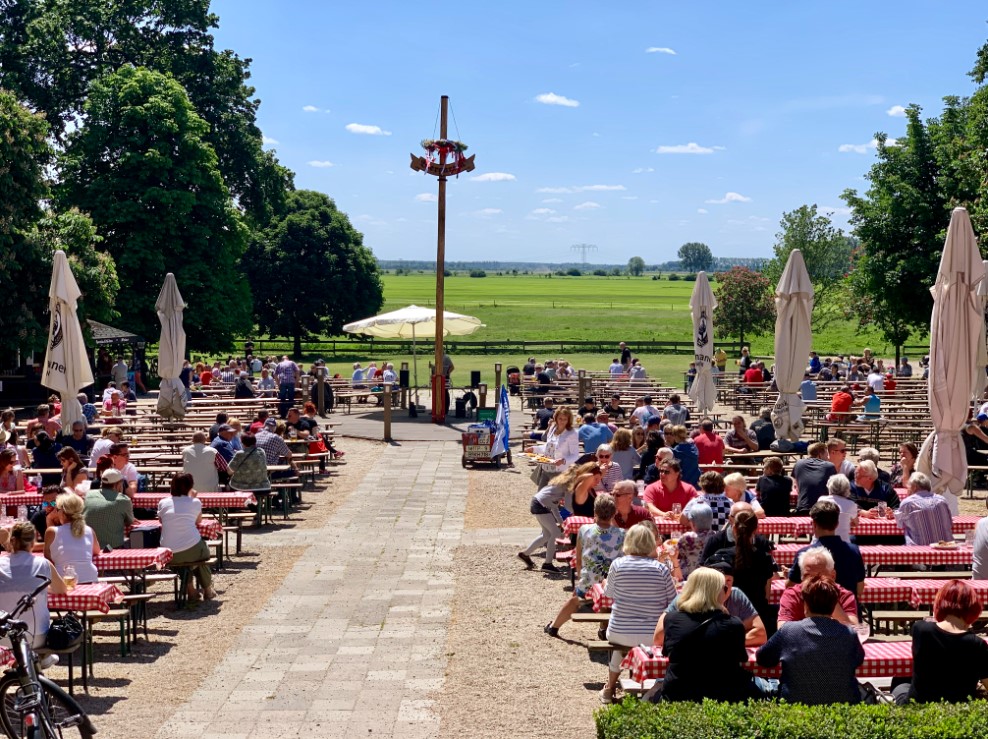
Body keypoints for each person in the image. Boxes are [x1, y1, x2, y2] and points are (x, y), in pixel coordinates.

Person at [599, 524, 676, 704]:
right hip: (652, 635)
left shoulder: (617, 565)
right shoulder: (661, 569)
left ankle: (609, 688)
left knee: (621, 645)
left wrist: (605, 585)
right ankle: (657, 686)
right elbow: (674, 601)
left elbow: (608, 595)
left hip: (619, 630)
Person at [757, 575, 864, 704]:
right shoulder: (849, 634)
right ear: (833, 606)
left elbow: (763, 658)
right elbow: (858, 660)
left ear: (805, 605)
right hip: (842, 709)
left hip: (795, 710)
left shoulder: (789, 631)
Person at [656, 567, 754, 702]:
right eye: (724, 589)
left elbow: (667, 652)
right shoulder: (733, 625)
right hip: (724, 697)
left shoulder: (672, 619)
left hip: (679, 695)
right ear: (717, 592)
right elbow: (741, 658)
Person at [893, 580, 988, 704]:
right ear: (973, 609)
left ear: (939, 604)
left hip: (919, 706)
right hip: (958, 710)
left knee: (899, 680)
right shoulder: (978, 644)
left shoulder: (920, 629)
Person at [545, 494, 624, 637]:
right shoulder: (622, 534)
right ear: (614, 513)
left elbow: (580, 555)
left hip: (589, 578)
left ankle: (554, 626)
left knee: (575, 600)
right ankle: (603, 629)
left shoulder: (584, 530)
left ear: (595, 512)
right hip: (613, 580)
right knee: (608, 597)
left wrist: (581, 573)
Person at [519, 463, 602, 572]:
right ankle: (547, 564)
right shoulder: (569, 485)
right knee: (555, 534)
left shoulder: (559, 482)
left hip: (537, 503)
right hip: (541, 506)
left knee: (546, 535)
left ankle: (525, 554)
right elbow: (567, 505)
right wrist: (577, 513)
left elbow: (554, 506)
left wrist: (561, 522)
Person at [708, 508, 778, 633]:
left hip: (727, 619)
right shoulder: (765, 558)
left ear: (733, 528)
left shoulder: (721, 557)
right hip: (757, 620)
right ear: (756, 530)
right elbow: (766, 596)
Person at [0, 522, 67, 647]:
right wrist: (41, 587)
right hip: (36, 635)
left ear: (12, 541)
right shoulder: (43, 563)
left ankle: (38, 660)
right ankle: (42, 659)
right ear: (32, 543)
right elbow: (61, 589)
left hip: (2, 636)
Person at [788, 501, 865, 600]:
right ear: (837, 524)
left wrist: (789, 575)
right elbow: (860, 588)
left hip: (816, 610)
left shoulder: (804, 554)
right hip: (849, 610)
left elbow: (790, 587)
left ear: (814, 524)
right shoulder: (854, 550)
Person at [159, 474, 216, 602]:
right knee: (200, 558)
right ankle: (207, 589)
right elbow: (198, 521)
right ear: (190, 486)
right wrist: (192, 498)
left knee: (184, 559)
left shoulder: (163, 502)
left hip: (169, 552)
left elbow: (161, 521)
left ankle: (191, 589)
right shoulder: (194, 502)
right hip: (192, 548)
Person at [777, 548, 859, 625]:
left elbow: (853, 631)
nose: (812, 581)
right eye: (807, 576)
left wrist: (830, 598)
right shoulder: (792, 595)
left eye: (818, 576)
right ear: (801, 577)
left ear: (833, 576)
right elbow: (782, 629)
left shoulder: (843, 595)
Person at [44, 493, 100, 584]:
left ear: (61, 512)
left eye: (57, 509)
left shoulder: (52, 531)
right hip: (90, 579)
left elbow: (48, 557)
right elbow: (96, 551)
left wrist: (49, 520)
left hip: (63, 581)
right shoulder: (89, 530)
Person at [894, 471, 952, 545]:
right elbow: (949, 523)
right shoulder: (942, 500)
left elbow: (900, 525)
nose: (907, 490)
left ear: (914, 487)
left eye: (908, 487)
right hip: (945, 548)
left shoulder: (908, 503)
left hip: (919, 549)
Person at [84, 468, 136, 549]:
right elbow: (130, 522)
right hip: (112, 548)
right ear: (118, 484)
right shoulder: (123, 500)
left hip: (89, 547)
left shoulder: (88, 495)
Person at [792, 442, 836, 514]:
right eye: (826, 454)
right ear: (820, 455)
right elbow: (834, 489)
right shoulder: (829, 466)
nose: (828, 457)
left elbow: (796, 486)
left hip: (802, 507)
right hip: (823, 509)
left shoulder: (799, 464)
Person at [817, 473, 858, 543]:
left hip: (821, 542)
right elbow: (856, 523)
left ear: (830, 487)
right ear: (847, 489)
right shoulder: (851, 504)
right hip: (843, 543)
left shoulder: (821, 500)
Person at [677, 503, 714, 578]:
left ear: (693, 522)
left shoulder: (687, 538)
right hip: (710, 577)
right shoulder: (715, 536)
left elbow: (677, 555)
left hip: (690, 577)